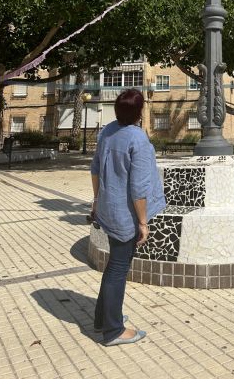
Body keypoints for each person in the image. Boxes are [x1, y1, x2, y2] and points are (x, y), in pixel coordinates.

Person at [90, 88, 165, 346]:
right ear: (139, 112)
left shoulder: (107, 132)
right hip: (126, 216)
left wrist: (97, 200)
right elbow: (139, 188)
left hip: (108, 210)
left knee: (113, 266)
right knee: (118, 269)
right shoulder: (138, 139)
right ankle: (113, 330)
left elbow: (95, 170)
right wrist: (143, 223)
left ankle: (103, 319)